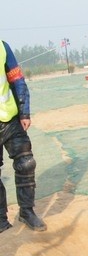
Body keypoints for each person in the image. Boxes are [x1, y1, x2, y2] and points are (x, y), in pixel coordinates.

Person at [0, 40, 46, 232]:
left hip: (10, 117)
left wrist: (24, 111)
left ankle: (26, 212)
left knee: (26, 163)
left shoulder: (2, 46)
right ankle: (1, 220)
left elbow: (16, 78)